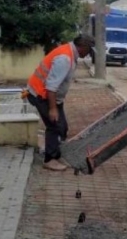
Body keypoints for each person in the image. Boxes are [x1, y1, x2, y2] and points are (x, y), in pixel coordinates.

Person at [25, 34, 95, 171]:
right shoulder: (65, 58)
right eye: (89, 50)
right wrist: (52, 109)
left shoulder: (69, 52)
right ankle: (50, 159)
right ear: (83, 47)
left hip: (50, 96)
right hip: (41, 95)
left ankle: (57, 154)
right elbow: (51, 87)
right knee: (54, 126)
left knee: (62, 127)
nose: (89, 54)